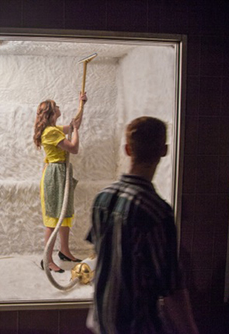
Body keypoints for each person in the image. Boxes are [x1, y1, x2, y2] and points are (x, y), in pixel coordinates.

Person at [86, 117, 198, 334]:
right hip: (136, 325)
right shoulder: (156, 211)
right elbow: (171, 287)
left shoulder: (102, 199)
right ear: (164, 151)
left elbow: (102, 255)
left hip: (102, 321)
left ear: (128, 149)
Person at [33, 92, 87, 273]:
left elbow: (72, 125)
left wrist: (82, 104)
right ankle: (46, 260)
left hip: (62, 173)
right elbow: (74, 148)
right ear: (50, 112)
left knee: (65, 215)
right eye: (55, 106)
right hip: (55, 176)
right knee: (53, 218)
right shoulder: (49, 132)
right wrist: (76, 131)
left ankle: (64, 251)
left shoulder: (55, 129)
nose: (59, 107)